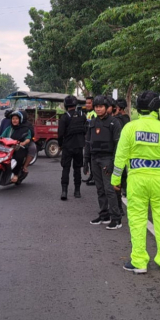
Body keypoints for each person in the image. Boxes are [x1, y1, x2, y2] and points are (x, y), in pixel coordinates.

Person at [112, 91, 160, 274]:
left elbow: (120, 156)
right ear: (156, 108)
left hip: (137, 180)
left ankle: (139, 262)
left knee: (137, 221)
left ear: (138, 108)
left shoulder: (130, 128)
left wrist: (116, 179)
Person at [84, 96, 124, 229]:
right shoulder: (92, 122)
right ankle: (104, 215)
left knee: (109, 189)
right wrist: (86, 161)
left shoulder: (114, 122)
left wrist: (113, 162)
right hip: (95, 159)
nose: (98, 109)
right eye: (96, 106)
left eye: (101, 106)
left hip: (108, 159)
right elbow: (88, 143)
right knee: (100, 189)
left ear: (107, 108)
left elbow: (118, 144)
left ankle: (116, 219)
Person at [58, 95, 87, 200]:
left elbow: (60, 134)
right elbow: (85, 130)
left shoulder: (64, 117)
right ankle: (77, 191)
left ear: (66, 105)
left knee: (65, 169)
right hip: (79, 146)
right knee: (77, 169)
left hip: (67, 147)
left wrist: (60, 145)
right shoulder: (82, 116)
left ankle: (64, 192)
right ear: (75, 104)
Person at [0, 111, 32, 183]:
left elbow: (28, 139)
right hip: (8, 147)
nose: (14, 120)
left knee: (18, 157)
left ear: (20, 120)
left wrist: (23, 143)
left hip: (19, 147)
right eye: (13, 118)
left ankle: (16, 174)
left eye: (16, 118)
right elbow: (2, 136)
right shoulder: (9, 128)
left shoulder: (25, 129)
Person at [84, 96, 96, 186]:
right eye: (86, 103)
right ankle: (91, 176)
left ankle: (95, 178)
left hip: (92, 141)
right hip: (88, 139)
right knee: (88, 159)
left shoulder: (94, 114)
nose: (87, 105)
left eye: (89, 103)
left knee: (92, 160)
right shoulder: (89, 113)